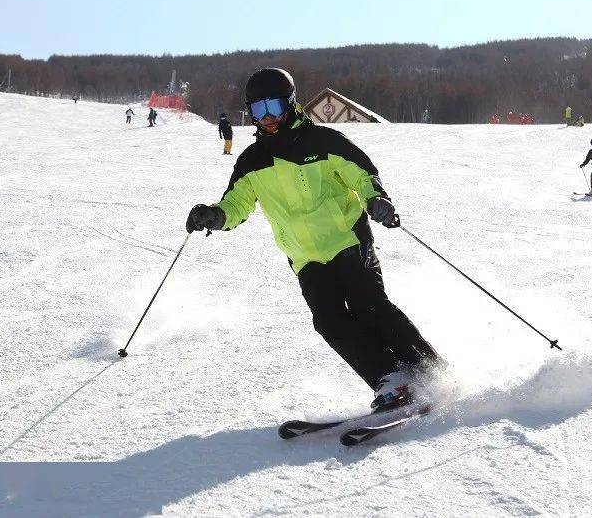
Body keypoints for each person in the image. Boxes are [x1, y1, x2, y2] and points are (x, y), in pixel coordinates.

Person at [185, 68, 444, 411]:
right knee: (329, 322)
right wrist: (215, 216)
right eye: (259, 111)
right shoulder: (251, 162)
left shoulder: (324, 141)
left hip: (347, 240)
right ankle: (391, 381)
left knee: (370, 307)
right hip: (305, 257)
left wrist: (376, 198)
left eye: (274, 107)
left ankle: (432, 373)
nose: (267, 118)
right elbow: (236, 203)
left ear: (291, 104)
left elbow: (362, 173)